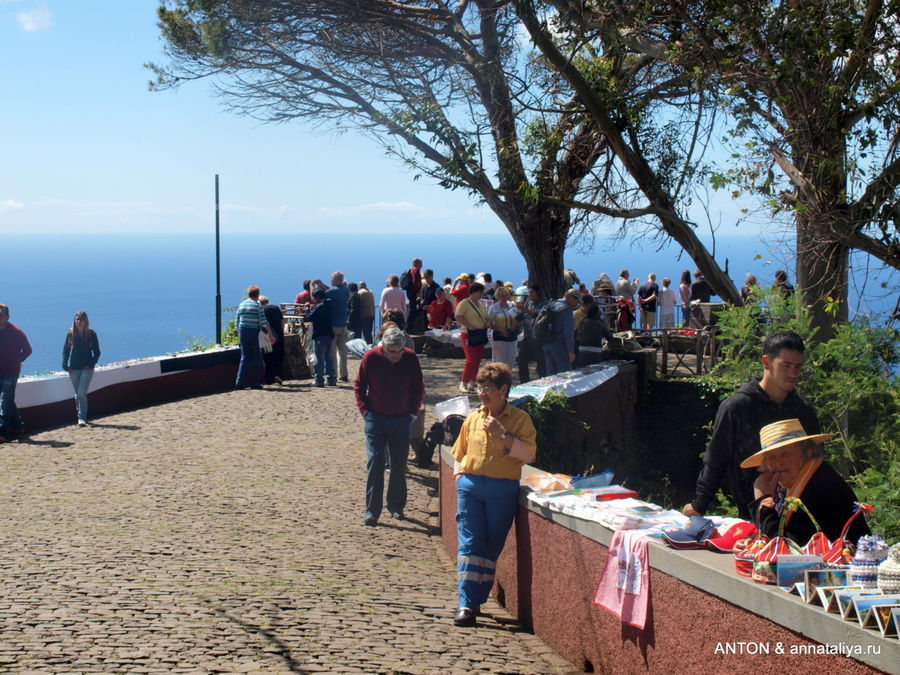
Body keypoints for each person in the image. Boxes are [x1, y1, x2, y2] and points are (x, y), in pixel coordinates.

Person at [683, 331, 821, 520]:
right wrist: (699, 506)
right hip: (751, 514)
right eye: (786, 365)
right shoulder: (736, 407)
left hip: (800, 514)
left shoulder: (803, 411)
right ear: (766, 362)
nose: (792, 374)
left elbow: (816, 461)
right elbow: (716, 460)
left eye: (797, 367)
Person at [450, 363, 537, 626]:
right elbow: (459, 452)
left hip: (502, 490)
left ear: (503, 390)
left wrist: (502, 434)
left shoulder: (520, 420)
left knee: (490, 547)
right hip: (471, 487)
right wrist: (460, 478)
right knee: (469, 544)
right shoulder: (473, 418)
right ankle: (465, 604)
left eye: (487, 388)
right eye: (480, 387)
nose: (482, 393)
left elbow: (529, 455)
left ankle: (477, 599)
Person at [744, 419, 871, 546]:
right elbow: (786, 533)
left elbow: (788, 548)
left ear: (807, 453)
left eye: (785, 453)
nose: (778, 462)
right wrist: (754, 540)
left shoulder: (821, 486)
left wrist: (763, 501)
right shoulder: (791, 485)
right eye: (772, 456)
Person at [354, 326, 425, 526]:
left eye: (399, 351)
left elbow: (418, 387)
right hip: (375, 418)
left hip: (401, 419)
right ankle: (372, 511)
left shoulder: (410, 359)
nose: (396, 356)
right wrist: (365, 411)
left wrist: (412, 412)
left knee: (398, 464)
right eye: (392, 352)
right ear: (383, 347)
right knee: (375, 462)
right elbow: (359, 385)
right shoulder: (371, 357)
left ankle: (395, 506)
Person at [61, 310, 101, 427]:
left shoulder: (91, 334)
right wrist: (65, 365)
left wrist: (92, 364)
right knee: (77, 393)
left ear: (85, 321)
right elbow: (66, 350)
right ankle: (81, 415)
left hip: (87, 368)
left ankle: (81, 418)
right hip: (74, 368)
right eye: (77, 319)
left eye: (81, 319)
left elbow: (97, 352)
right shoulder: (70, 334)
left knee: (81, 392)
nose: (79, 322)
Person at [0, 304, 32, 442]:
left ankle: (2, 432)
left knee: (4, 403)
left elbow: (28, 350)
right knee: (8, 401)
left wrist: (17, 361)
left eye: (1, 315)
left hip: (11, 372)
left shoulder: (16, 332)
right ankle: (18, 426)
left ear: (7, 317)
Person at [235, 285, 274, 390]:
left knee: (245, 357)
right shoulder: (258, 305)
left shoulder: (242, 304)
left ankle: (240, 381)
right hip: (254, 332)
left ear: (248, 293)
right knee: (257, 357)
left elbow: (237, 321)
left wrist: (239, 334)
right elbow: (264, 322)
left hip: (243, 331)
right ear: (257, 294)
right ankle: (254, 382)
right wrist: (270, 336)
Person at [455, 282, 489, 394]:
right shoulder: (465, 303)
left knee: (477, 360)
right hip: (468, 334)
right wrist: (468, 325)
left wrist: (486, 323)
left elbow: (486, 317)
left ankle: (472, 384)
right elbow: (458, 316)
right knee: (470, 360)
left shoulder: (481, 304)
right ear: (474, 292)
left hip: (480, 334)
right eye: (480, 292)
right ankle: (463, 383)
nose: (481, 294)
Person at [317, 272, 351, 382]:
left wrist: (319, 285)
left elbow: (321, 295)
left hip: (333, 324)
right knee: (343, 351)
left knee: (332, 351)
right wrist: (323, 285)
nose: (331, 281)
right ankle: (344, 374)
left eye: (332, 279)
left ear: (336, 280)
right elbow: (331, 289)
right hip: (343, 324)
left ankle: (334, 374)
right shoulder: (346, 289)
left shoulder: (333, 292)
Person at [515, 284, 547, 383]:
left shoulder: (544, 304)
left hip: (538, 340)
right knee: (521, 362)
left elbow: (538, 316)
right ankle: (524, 383)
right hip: (527, 338)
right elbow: (521, 316)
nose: (530, 295)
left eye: (532, 292)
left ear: (538, 293)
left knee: (541, 366)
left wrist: (525, 309)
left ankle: (543, 383)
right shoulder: (528, 303)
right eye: (529, 293)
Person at [304, 288, 335, 387]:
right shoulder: (330, 305)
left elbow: (308, 318)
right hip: (329, 335)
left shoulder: (320, 307)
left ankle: (318, 380)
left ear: (317, 297)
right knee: (329, 359)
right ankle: (331, 380)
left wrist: (308, 309)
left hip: (320, 335)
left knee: (319, 358)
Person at [542, 292, 576, 376]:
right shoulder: (567, 310)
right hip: (560, 344)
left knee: (550, 374)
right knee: (564, 375)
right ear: (571, 298)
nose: (576, 304)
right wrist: (571, 351)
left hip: (546, 342)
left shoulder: (550, 304)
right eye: (576, 300)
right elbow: (568, 332)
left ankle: (550, 389)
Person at [487, 286, 520, 370]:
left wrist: (514, 325)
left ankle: (507, 380)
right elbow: (489, 324)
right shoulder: (493, 308)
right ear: (498, 296)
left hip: (512, 336)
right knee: (499, 362)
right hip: (499, 337)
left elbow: (518, 318)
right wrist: (501, 330)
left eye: (506, 295)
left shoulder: (512, 305)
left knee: (511, 361)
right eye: (502, 296)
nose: (505, 298)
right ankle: (496, 381)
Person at [259, 296, 285, 385]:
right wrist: (281, 334)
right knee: (278, 358)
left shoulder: (261, 311)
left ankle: (268, 379)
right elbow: (282, 322)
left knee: (268, 358)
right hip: (279, 336)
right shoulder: (275, 308)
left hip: (267, 339)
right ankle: (278, 375)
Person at [404, 258, 424, 331]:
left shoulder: (411, 270)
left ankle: (410, 326)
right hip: (413, 292)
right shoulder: (416, 270)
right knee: (413, 310)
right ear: (418, 264)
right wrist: (418, 291)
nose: (422, 266)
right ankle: (408, 327)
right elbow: (415, 282)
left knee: (414, 309)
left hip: (410, 291)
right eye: (421, 264)